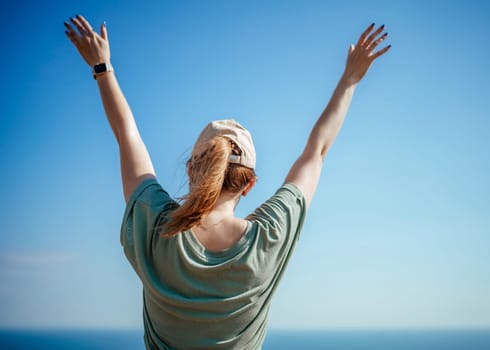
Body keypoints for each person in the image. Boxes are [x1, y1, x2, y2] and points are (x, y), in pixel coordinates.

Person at [65, 14, 390, 350]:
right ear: (249, 185)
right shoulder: (269, 236)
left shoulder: (155, 225)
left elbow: (126, 135)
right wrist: (350, 79)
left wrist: (102, 67)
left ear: (191, 170)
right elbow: (316, 152)